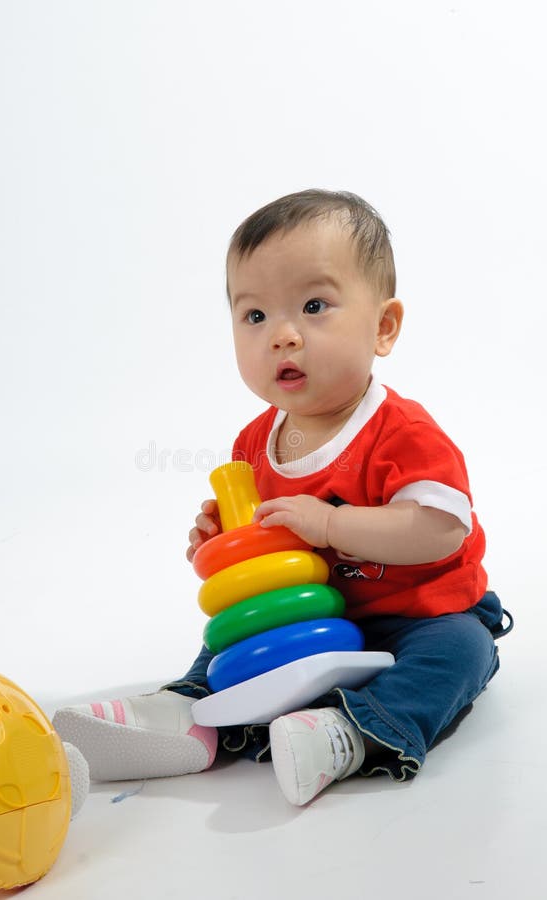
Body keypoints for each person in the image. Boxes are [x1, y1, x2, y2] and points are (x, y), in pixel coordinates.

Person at [53, 189, 512, 806]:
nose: (282, 336)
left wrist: (330, 524)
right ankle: (188, 711)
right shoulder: (254, 443)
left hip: (422, 611)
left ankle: (352, 732)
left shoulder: (402, 433)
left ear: (383, 327)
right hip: (312, 614)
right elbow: (262, 560)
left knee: (463, 651)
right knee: (228, 637)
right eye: (255, 316)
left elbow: (439, 529)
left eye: (314, 306)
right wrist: (223, 546)